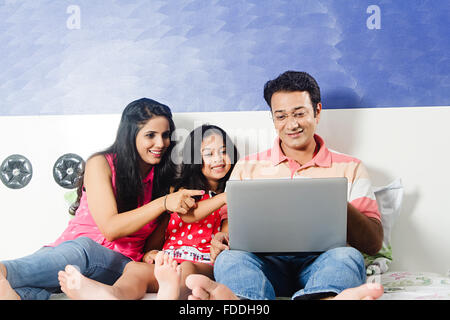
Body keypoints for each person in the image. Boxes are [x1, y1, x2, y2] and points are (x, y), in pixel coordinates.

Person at [193, 71, 385, 300]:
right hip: (264, 264)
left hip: (323, 262)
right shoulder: (247, 166)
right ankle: (246, 300)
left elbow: (372, 244)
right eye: (281, 116)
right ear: (273, 119)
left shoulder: (351, 167)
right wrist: (220, 240)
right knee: (229, 259)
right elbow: (228, 228)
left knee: (348, 257)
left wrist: (332, 201)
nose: (291, 124)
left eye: (299, 113)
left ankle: (322, 296)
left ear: (317, 111)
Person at [0, 98, 204, 300]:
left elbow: (150, 244)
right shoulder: (101, 163)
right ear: (130, 136)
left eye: (166, 135)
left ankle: (5, 271)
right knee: (35, 289)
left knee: (84, 249)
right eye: (150, 135)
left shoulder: (166, 183)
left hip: (119, 265)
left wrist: (154, 248)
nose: (161, 143)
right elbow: (110, 227)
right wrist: (163, 203)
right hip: (69, 255)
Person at [57, 124, 239, 300]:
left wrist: (225, 199)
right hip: (169, 261)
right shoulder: (179, 194)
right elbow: (174, 223)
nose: (218, 159)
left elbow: (221, 231)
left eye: (224, 151)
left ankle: (171, 294)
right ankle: (113, 295)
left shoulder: (230, 200)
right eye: (209, 154)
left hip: (202, 262)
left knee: (188, 271)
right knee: (134, 269)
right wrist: (150, 252)